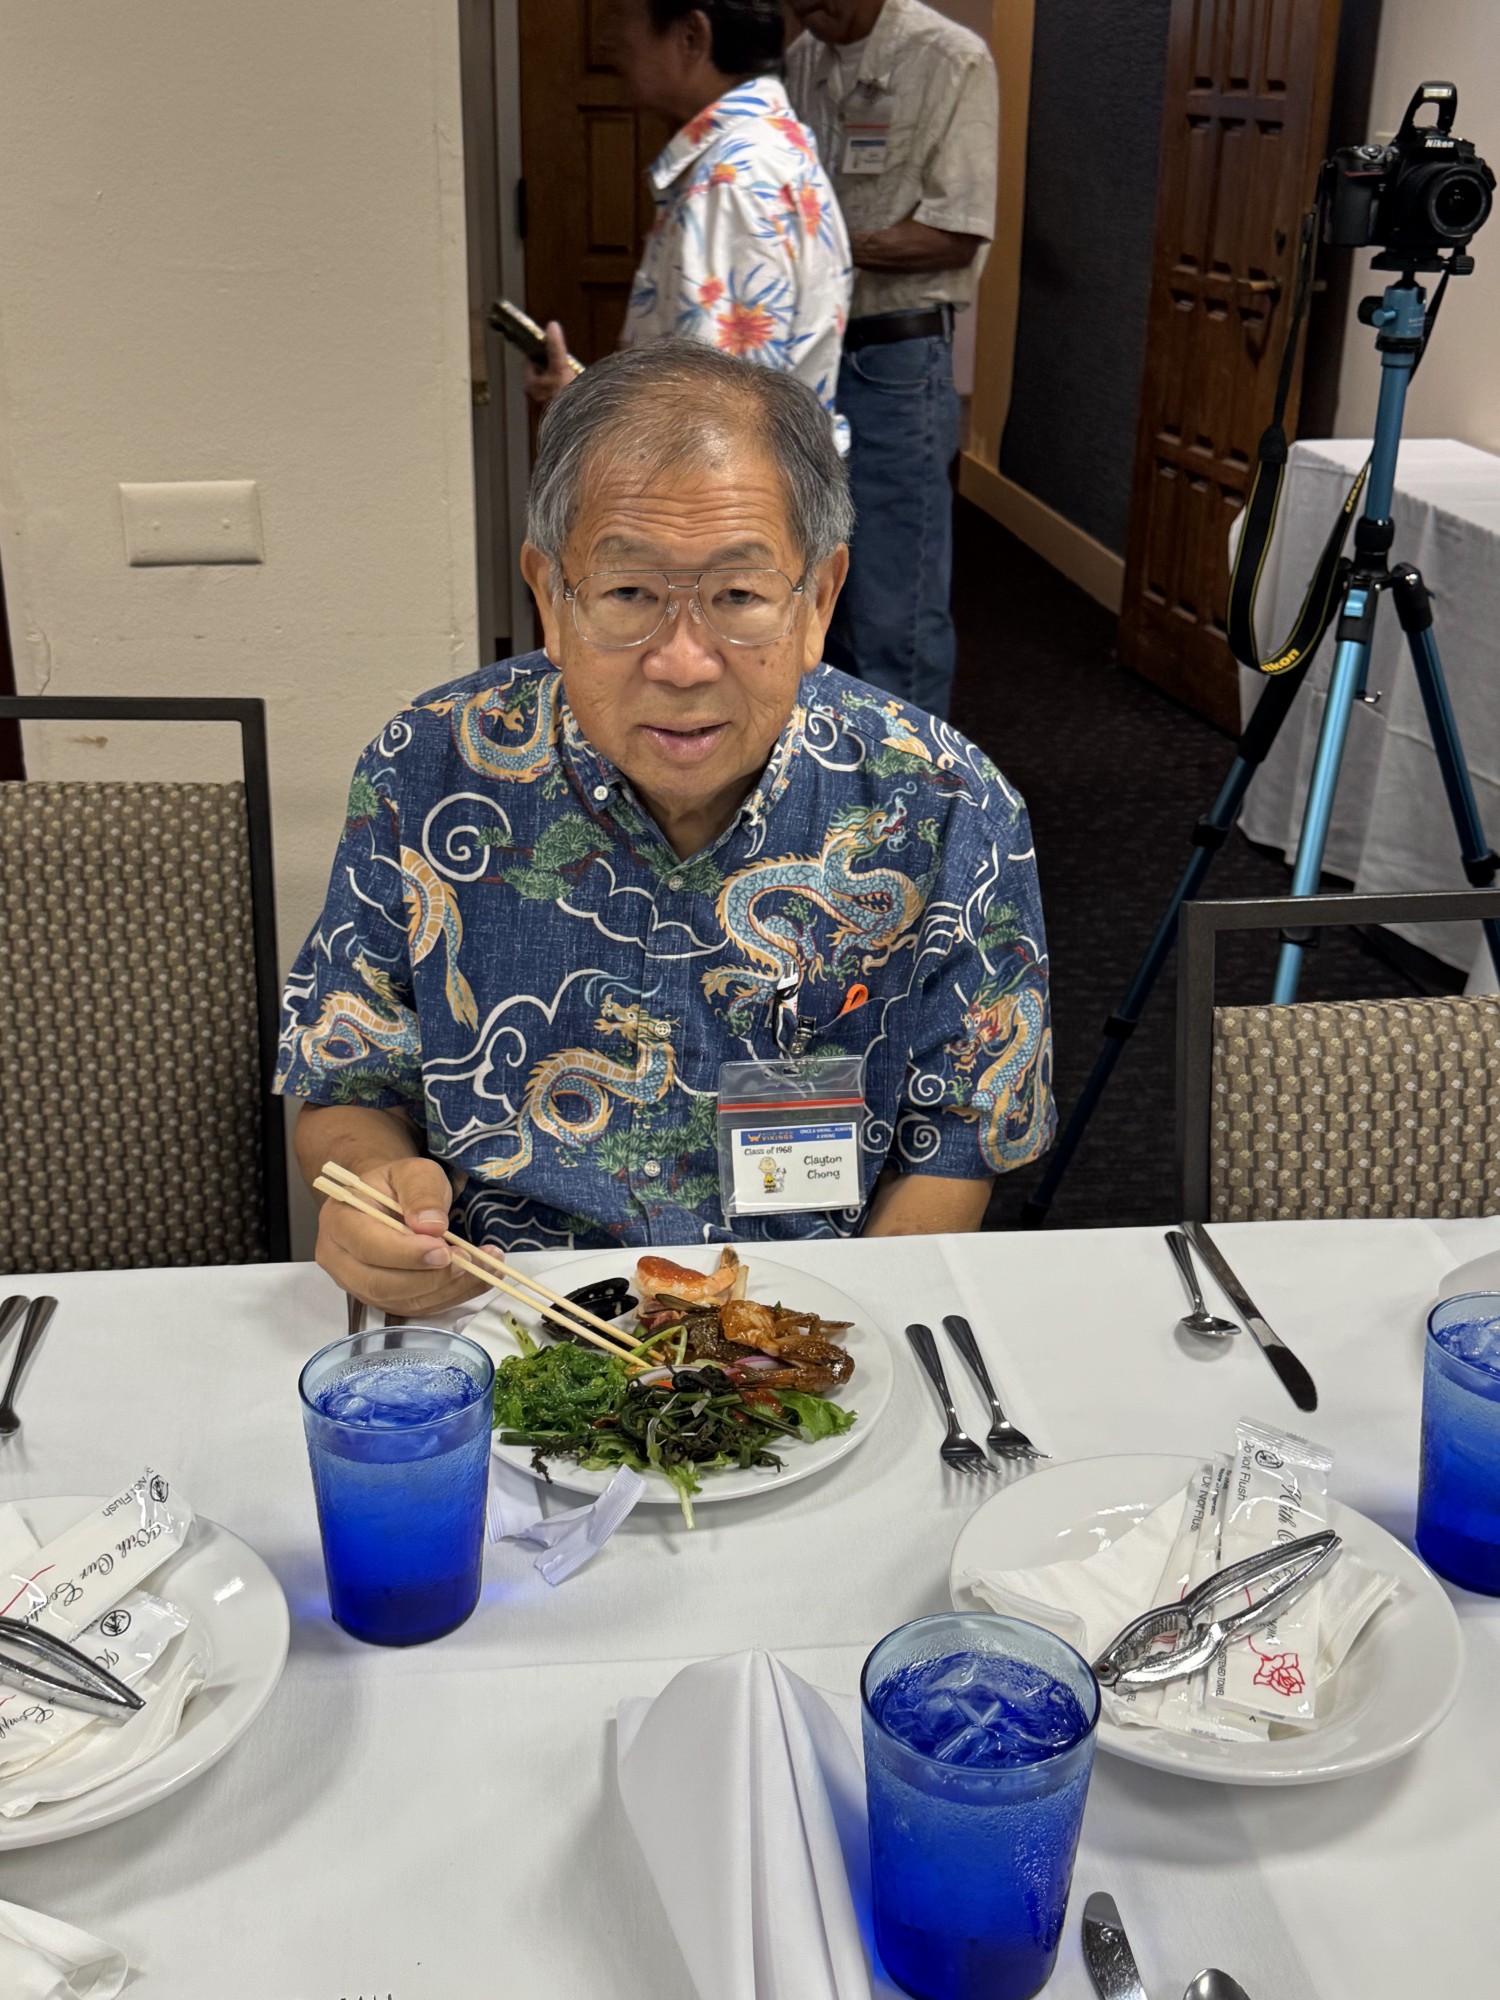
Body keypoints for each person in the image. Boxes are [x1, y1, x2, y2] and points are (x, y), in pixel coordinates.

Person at [278, 343, 1053, 1317]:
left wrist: (826, 1349)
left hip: (807, 1321)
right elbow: (350, 1082)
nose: (683, 661)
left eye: (738, 596)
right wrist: (374, 1189)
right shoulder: (426, 770)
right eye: (629, 593)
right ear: (550, 596)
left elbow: (958, 1146)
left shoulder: (944, 806)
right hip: (496, 1312)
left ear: (818, 600)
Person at [785, 0, 999, 719]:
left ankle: (910, 785)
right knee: (819, 597)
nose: (806, 9)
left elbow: (956, 234)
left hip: (894, 363)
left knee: (894, 612)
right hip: (806, 359)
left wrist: (817, 244)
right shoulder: (803, 58)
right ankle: (837, 769)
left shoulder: (951, 58)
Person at [526, 0, 851, 434]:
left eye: (624, 16)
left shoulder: (734, 180)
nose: (608, 40)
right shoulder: (764, 152)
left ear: (691, 37)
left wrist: (578, 417)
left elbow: (715, 426)